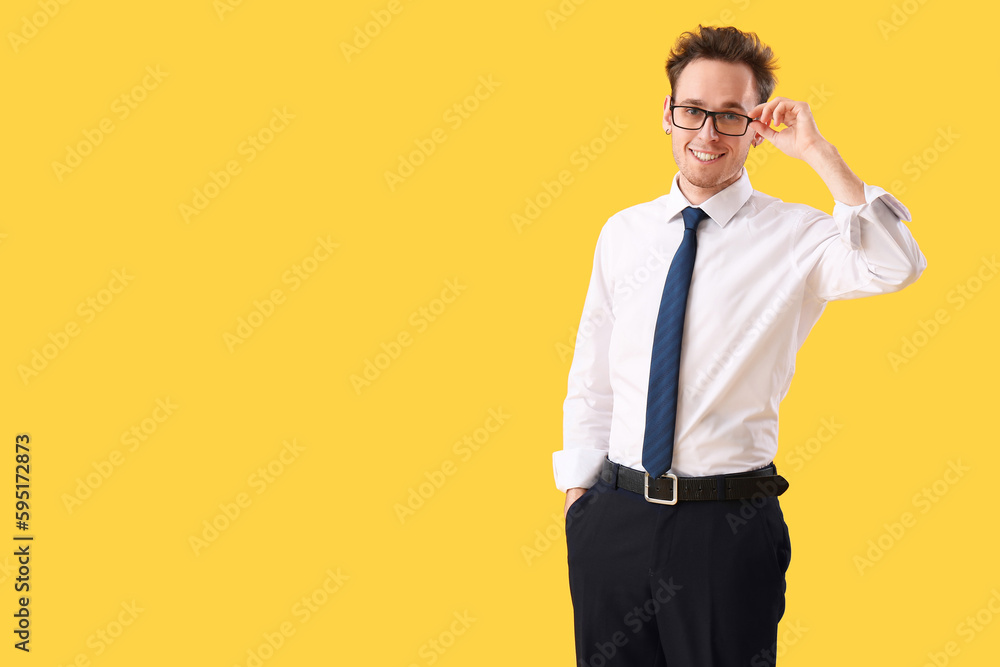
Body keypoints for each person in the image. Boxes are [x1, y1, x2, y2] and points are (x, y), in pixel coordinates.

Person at [554, 25, 926, 667]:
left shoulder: (798, 237)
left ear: (756, 127)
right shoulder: (624, 233)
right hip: (612, 522)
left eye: (730, 116)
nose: (707, 134)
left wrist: (819, 154)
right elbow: (594, 374)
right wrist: (579, 503)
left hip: (723, 528)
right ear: (667, 116)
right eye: (693, 110)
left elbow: (896, 266)